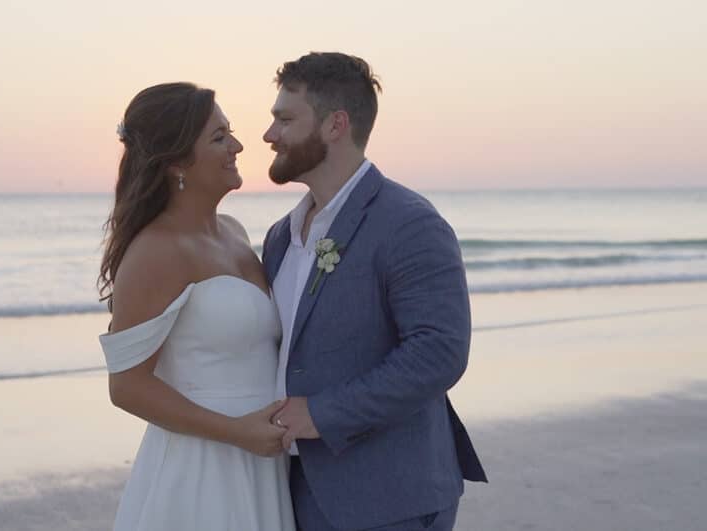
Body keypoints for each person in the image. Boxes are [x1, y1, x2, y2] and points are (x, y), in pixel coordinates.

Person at [262, 52, 487, 531]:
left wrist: (319, 414)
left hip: (388, 498)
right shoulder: (282, 236)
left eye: (284, 118)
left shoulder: (408, 223)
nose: (269, 134)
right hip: (295, 491)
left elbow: (439, 352)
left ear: (335, 125)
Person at [97, 82, 295, 530]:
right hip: (203, 466)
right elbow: (126, 386)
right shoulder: (156, 251)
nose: (238, 146)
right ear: (176, 163)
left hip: (262, 462)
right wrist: (237, 432)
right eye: (219, 137)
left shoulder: (234, 232)